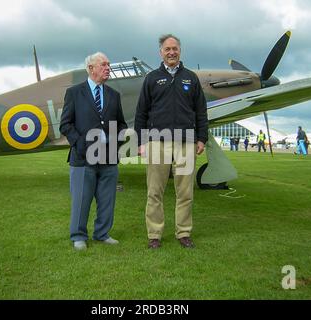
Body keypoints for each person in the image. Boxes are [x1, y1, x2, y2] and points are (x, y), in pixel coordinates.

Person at [134, 34, 208, 249]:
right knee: (154, 192)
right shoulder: (151, 78)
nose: (171, 52)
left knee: (185, 192)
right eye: (167, 49)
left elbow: (200, 112)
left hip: (186, 142)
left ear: (180, 51)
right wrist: (141, 141)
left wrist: (201, 138)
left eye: (174, 48)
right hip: (157, 142)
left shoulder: (191, 78)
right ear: (161, 52)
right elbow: (141, 113)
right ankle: (154, 235)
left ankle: (183, 233)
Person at [59, 52, 128, 251]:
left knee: (107, 200)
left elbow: (121, 123)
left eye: (109, 65)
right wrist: (80, 144)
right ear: (91, 69)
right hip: (82, 158)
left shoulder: (114, 95)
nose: (108, 68)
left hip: (108, 158)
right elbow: (65, 124)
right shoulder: (74, 93)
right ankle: (78, 236)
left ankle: (102, 233)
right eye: (103, 65)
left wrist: (118, 139)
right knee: (81, 199)